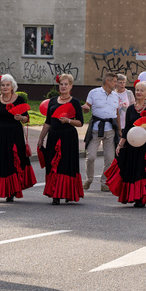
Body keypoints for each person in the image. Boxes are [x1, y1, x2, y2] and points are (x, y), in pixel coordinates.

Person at [104, 81, 146, 207]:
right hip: (132, 143)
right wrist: (120, 144)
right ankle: (131, 195)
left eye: (142, 90)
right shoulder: (130, 108)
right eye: (137, 90)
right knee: (131, 167)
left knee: (142, 169)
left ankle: (141, 197)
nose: (138, 92)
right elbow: (127, 128)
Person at [0, 74, 36, 202]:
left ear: (12, 86)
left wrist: (21, 118)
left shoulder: (20, 99)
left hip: (14, 135)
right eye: (3, 85)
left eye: (7, 85)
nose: (5, 87)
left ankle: (10, 192)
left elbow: (26, 118)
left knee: (12, 163)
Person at [37, 74, 85, 205]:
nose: (63, 86)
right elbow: (47, 122)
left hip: (68, 137)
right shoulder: (52, 101)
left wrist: (68, 120)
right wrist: (41, 138)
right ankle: (55, 194)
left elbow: (80, 122)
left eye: (66, 84)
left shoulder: (74, 102)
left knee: (66, 165)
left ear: (71, 86)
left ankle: (67, 193)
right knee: (53, 164)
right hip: (53, 136)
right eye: (61, 84)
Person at [82, 72, 121, 191]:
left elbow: (117, 113)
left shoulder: (116, 96)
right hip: (95, 129)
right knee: (91, 156)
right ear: (107, 81)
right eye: (114, 81)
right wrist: (85, 109)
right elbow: (86, 108)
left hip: (110, 130)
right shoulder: (94, 93)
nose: (116, 84)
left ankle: (104, 183)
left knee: (110, 158)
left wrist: (119, 130)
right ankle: (88, 179)